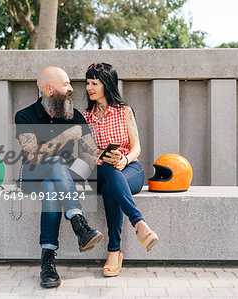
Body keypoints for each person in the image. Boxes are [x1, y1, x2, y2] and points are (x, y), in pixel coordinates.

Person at [14, 66, 104, 288]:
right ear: (49, 89)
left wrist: (108, 156)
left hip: (63, 176)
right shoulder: (25, 115)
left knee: (51, 186)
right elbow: (33, 157)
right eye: (65, 85)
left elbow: (89, 153)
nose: (72, 88)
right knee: (54, 164)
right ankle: (78, 223)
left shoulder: (75, 115)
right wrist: (66, 136)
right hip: (32, 173)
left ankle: (48, 261)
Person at [82, 63, 159, 277]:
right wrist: (96, 156)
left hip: (128, 169)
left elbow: (137, 148)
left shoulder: (124, 111)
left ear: (106, 84)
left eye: (94, 83)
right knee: (107, 164)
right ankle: (140, 224)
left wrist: (124, 159)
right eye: (87, 83)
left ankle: (114, 251)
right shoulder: (85, 116)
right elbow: (82, 151)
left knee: (110, 189)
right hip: (99, 171)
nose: (89, 87)